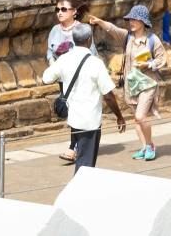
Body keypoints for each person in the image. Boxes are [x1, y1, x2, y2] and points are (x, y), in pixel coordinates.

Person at [42, 24, 122, 169]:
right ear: (89, 39)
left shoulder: (64, 59)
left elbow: (46, 78)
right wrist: (119, 116)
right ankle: (79, 190)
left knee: (83, 162)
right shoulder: (95, 63)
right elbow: (108, 95)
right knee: (85, 165)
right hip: (90, 121)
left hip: (74, 118)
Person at [122, 5, 165, 161]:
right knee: (136, 118)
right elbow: (112, 29)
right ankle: (144, 146)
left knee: (141, 117)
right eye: (130, 19)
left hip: (148, 83)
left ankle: (150, 145)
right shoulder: (128, 37)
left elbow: (162, 59)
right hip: (132, 84)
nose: (131, 22)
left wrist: (148, 64)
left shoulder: (153, 40)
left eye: (135, 19)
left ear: (143, 21)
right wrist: (99, 21)